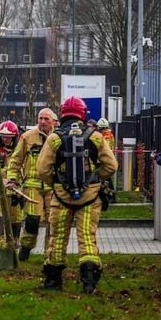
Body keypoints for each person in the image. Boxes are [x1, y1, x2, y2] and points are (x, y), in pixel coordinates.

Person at [35, 97, 118, 294]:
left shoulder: (54, 138)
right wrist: (95, 179)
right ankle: (89, 282)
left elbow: (42, 169)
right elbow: (111, 166)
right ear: (83, 114)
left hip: (61, 197)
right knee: (87, 237)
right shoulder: (96, 137)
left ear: (62, 114)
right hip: (90, 198)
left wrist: (57, 183)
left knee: (57, 238)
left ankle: (53, 281)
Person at [6, 108, 57, 262]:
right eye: (40, 118)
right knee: (32, 220)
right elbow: (16, 160)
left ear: (53, 121)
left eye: (46, 119)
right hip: (32, 187)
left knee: (54, 222)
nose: (42, 121)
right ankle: (26, 247)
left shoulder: (58, 138)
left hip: (53, 188)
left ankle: (51, 254)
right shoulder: (27, 137)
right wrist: (12, 178)